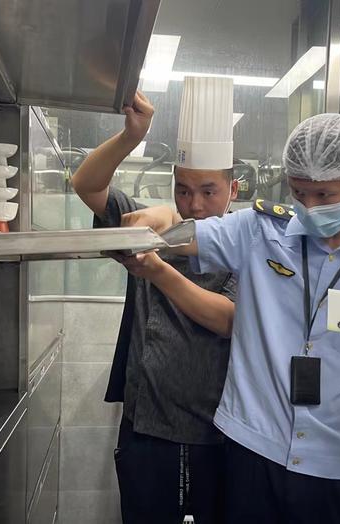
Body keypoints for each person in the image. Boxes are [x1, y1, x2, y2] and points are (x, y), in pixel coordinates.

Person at [129, 113, 340, 523]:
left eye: (324, 195)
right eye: (298, 192)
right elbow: (187, 232)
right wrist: (157, 219)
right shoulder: (260, 231)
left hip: (339, 464)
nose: (308, 207)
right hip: (252, 450)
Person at [71, 80, 238, 523]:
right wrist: (131, 137)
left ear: (232, 190)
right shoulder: (154, 225)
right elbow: (86, 184)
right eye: (183, 190)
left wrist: (158, 271)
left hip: (201, 431)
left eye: (208, 191)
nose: (195, 204)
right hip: (141, 424)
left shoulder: (246, 245)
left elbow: (227, 319)